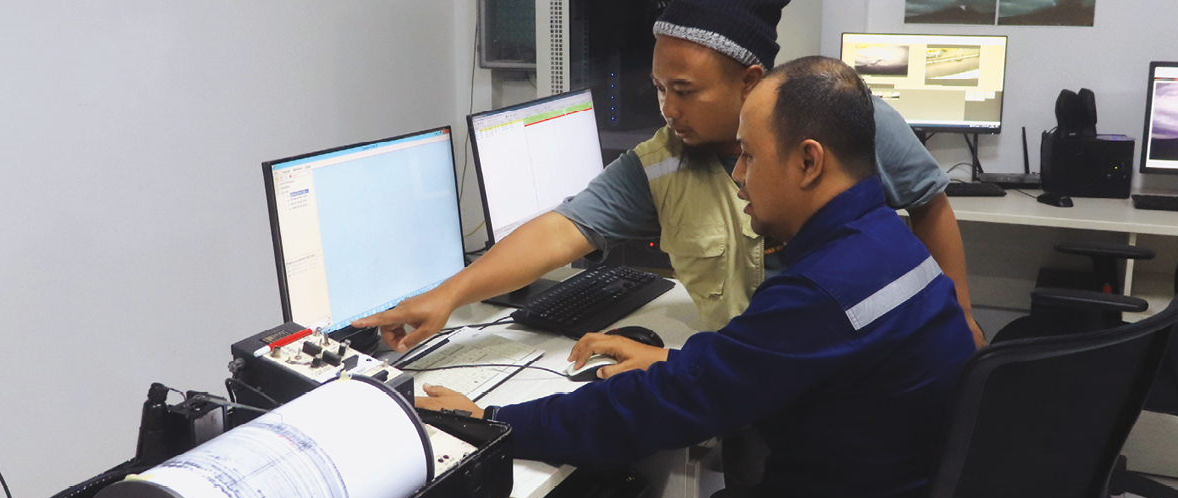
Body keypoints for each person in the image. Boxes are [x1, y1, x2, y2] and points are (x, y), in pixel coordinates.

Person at [414, 55, 977, 498]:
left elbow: (659, 407)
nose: (737, 176)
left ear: (809, 161)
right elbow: (773, 359)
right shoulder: (887, 245)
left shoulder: (822, 291)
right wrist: (678, 362)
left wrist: (492, 424)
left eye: (750, 156)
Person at [353, 0, 986, 357]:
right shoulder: (662, 160)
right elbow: (563, 228)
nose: (666, 107)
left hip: (832, 376)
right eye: (658, 87)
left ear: (749, 81)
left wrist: (958, 307)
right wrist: (450, 294)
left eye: (684, 90)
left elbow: (930, 204)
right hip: (753, 373)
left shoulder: (848, 121)